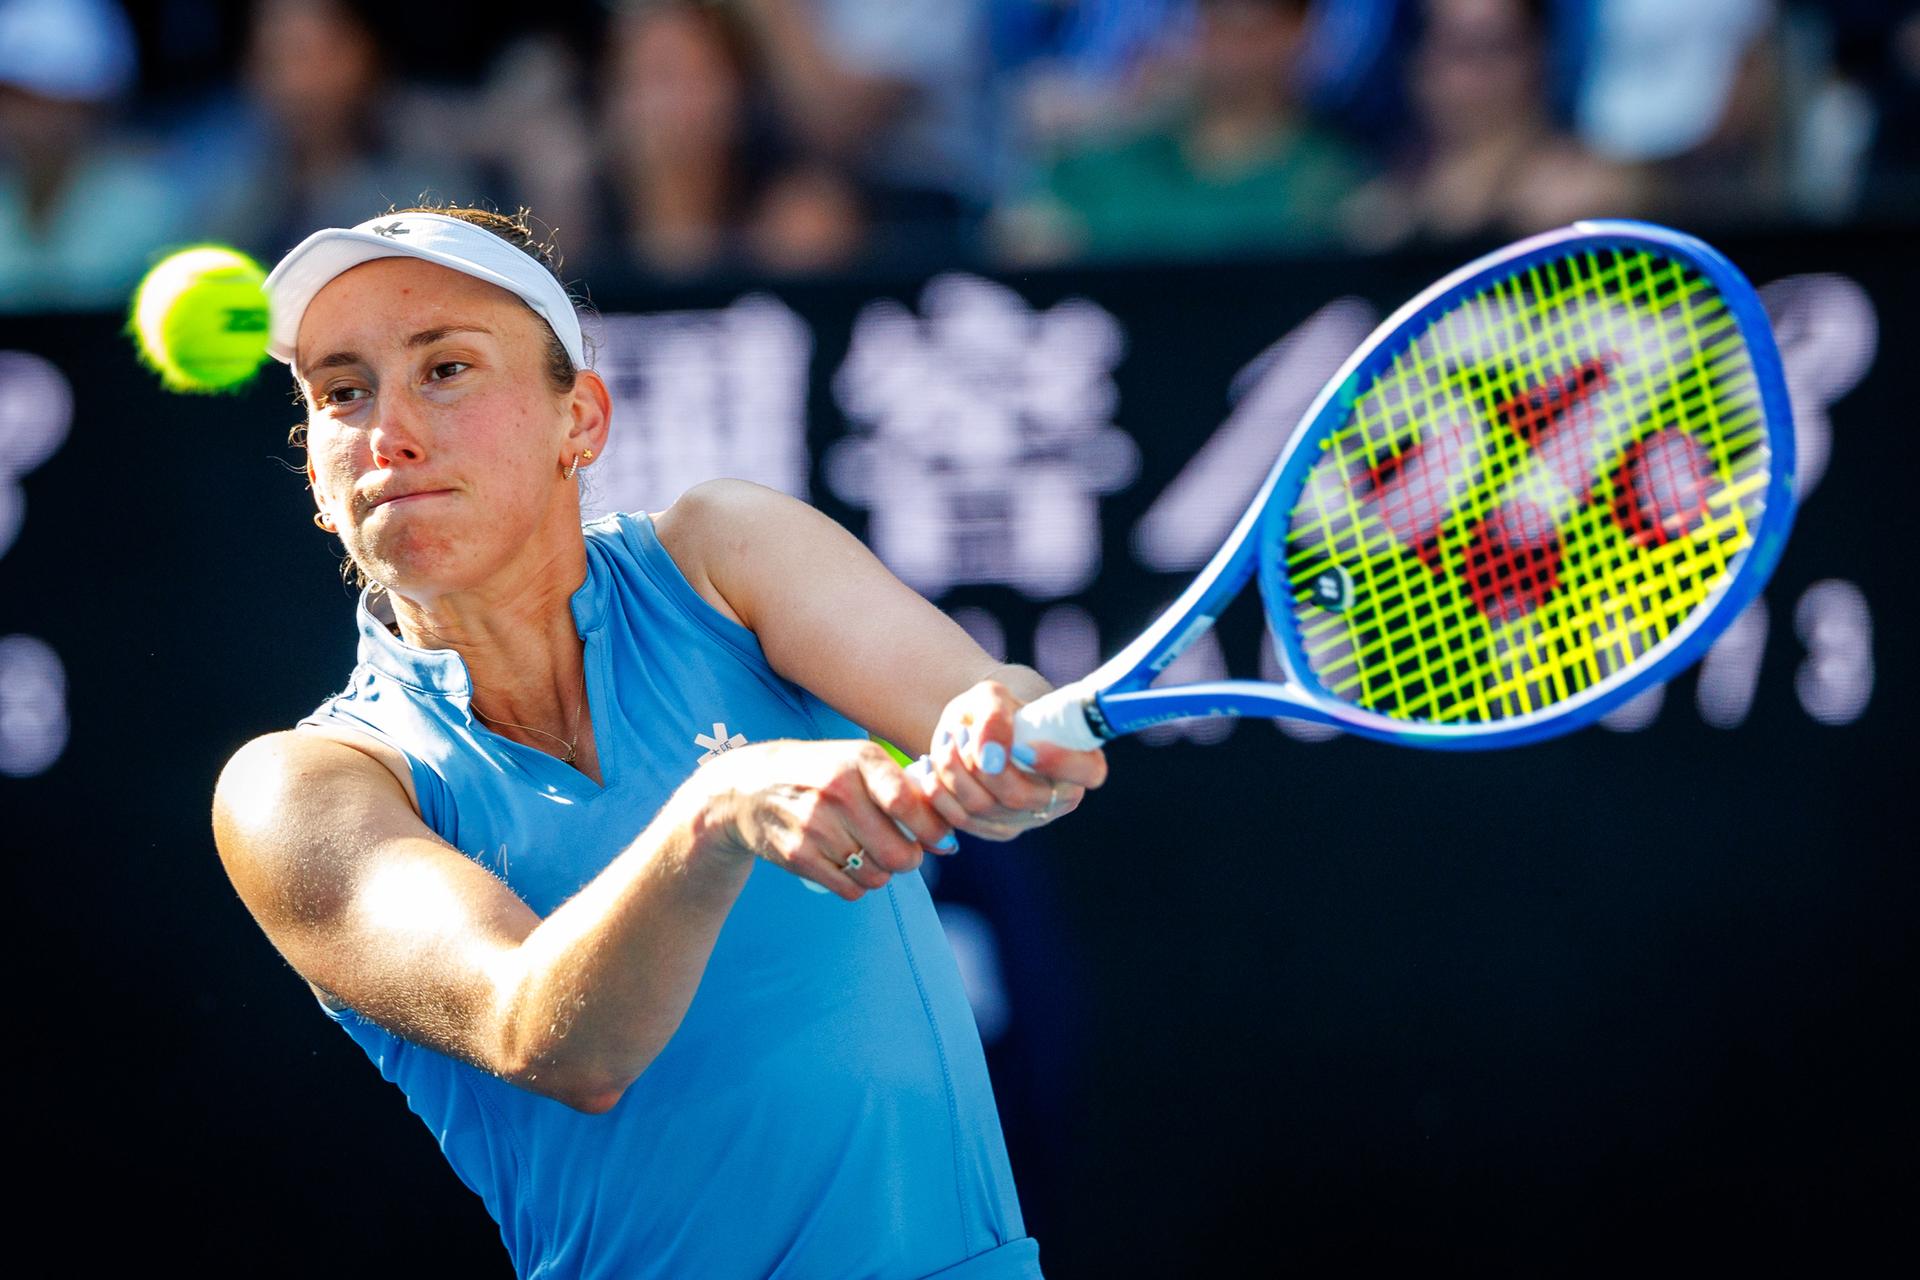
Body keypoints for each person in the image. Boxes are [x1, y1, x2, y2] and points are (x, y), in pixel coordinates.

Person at [210, 204, 1106, 1279]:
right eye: (342, 392)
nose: (388, 428)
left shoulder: (726, 550)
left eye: (445, 369)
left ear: (579, 420)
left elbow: (985, 707)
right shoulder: (298, 790)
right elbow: (550, 1036)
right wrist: (720, 809)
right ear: (316, 471)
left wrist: (1006, 739)